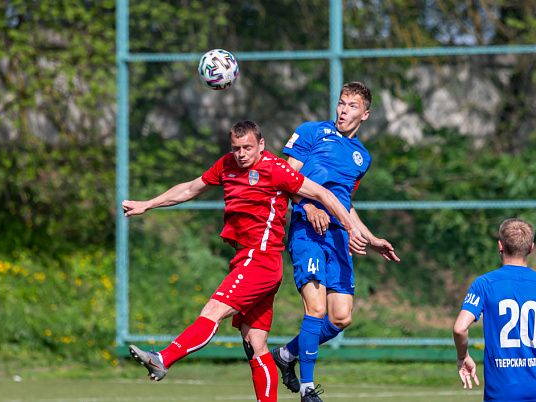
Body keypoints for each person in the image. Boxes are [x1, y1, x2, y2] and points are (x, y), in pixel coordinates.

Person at [123, 120, 367, 402]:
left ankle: (163, 358)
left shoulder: (276, 168)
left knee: (212, 310)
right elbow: (190, 188)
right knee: (256, 344)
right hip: (248, 260)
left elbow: (322, 193)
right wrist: (147, 204)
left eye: (247, 148)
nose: (241, 154)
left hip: (260, 260)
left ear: (261, 145)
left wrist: (350, 228)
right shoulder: (226, 164)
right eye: (236, 148)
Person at [271, 82, 400, 402]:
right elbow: (288, 180)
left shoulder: (362, 158)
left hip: (339, 237)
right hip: (306, 230)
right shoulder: (311, 132)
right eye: (341, 103)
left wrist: (370, 239)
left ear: (365, 114)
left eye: (351, 106)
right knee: (315, 309)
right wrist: (310, 206)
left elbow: (346, 205)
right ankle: (307, 389)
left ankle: (286, 355)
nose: (343, 110)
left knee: (341, 317)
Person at [453, 218, 536, 401]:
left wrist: (463, 356)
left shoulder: (484, 284)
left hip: (501, 392)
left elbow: (459, 329)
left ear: (500, 246)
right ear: (531, 248)